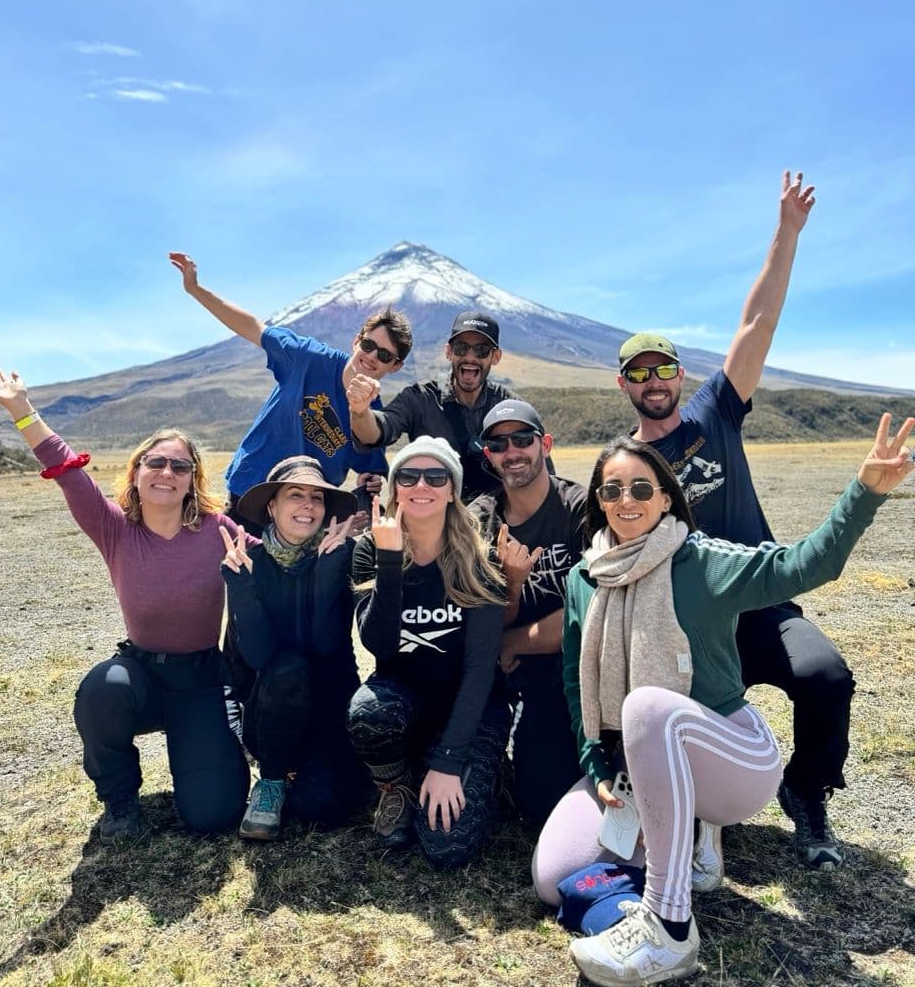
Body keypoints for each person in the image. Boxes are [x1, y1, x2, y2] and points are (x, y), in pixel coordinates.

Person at [533, 415, 914, 986]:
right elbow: (573, 677)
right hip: (638, 761)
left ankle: (669, 928)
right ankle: (681, 835)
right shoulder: (585, 579)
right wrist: (596, 763)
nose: (626, 500)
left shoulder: (702, 562)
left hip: (735, 757)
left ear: (666, 498)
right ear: (599, 502)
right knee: (553, 876)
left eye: (641, 488)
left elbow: (805, 564)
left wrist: (864, 493)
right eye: (611, 490)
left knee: (646, 707)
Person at [615, 170, 855, 872]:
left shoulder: (714, 414)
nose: (654, 382)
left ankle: (806, 790)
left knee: (826, 677)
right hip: (688, 620)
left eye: (663, 370)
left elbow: (758, 323)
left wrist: (786, 232)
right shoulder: (626, 465)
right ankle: (689, 807)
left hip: (760, 601)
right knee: (676, 718)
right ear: (624, 384)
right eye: (639, 373)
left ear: (679, 377)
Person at [0, 368, 250, 842]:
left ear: (192, 479)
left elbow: (276, 556)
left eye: (180, 466)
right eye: (155, 462)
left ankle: (206, 746)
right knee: (102, 688)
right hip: (142, 676)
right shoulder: (114, 528)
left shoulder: (218, 529)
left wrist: (341, 538)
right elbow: (67, 470)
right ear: (137, 471)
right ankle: (120, 799)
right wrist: (22, 410)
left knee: (215, 815)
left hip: (202, 680)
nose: (167, 473)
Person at [347, 436, 509, 868]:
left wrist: (450, 760)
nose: (422, 485)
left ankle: (483, 770)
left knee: (446, 847)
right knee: (367, 713)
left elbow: (480, 670)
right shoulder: (370, 549)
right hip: (405, 699)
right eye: (409, 476)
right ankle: (397, 787)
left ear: (452, 490)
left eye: (436, 476)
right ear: (394, 487)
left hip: (470, 706)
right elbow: (378, 644)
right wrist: (389, 561)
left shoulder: (479, 558)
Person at [169, 253, 412, 523]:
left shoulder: (372, 417)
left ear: (395, 366)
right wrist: (195, 289)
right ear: (357, 341)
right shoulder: (308, 358)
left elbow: (369, 467)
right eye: (368, 345)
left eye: (385, 355)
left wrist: (370, 480)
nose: (372, 357)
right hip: (252, 492)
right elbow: (253, 327)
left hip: (304, 516)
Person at [217, 457, 370, 840]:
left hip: (329, 711)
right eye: (295, 495)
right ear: (272, 507)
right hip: (272, 717)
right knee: (288, 667)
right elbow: (257, 656)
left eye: (317, 497)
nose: (308, 505)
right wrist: (241, 587)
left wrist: (328, 573)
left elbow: (327, 644)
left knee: (321, 807)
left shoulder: (341, 557)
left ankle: (308, 772)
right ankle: (271, 780)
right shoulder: (249, 564)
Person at [469, 400, 585, 823]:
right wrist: (513, 584)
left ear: (545, 444)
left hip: (566, 667)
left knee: (544, 805)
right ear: (488, 456)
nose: (512, 451)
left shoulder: (579, 508)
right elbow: (480, 626)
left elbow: (592, 612)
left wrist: (513, 641)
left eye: (523, 439)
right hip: (501, 672)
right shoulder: (478, 521)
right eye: (499, 444)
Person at [347, 310, 536, 502]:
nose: (470, 357)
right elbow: (379, 430)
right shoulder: (420, 399)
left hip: (496, 516)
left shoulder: (510, 408)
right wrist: (360, 411)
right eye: (461, 348)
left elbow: (540, 470)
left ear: (495, 356)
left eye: (481, 350)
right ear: (448, 352)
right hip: (433, 515)